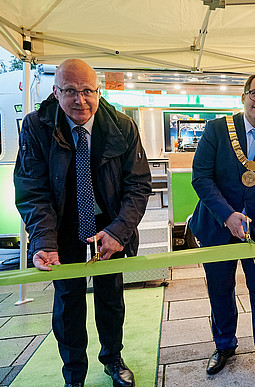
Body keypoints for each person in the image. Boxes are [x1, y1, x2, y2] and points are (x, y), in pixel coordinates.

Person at [14, 59, 151, 387]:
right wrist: (45, 242)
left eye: (88, 90)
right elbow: (33, 190)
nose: (80, 99)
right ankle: (74, 373)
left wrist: (119, 231)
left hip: (108, 230)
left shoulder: (122, 126)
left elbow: (138, 184)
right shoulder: (37, 127)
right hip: (62, 234)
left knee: (111, 297)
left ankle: (112, 358)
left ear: (99, 91)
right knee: (67, 303)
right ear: (56, 92)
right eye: (71, 91)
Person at [189, 72, 255, 387]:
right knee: (220, 290)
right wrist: (227, 215)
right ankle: (224, 346)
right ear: (244, 96)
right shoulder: (217, 130)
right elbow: (201, 177)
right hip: (217, 227)